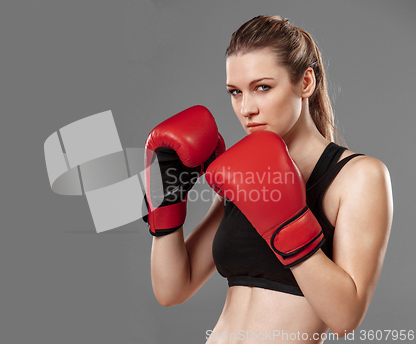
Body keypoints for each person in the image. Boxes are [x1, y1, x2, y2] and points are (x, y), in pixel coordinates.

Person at [143, 15, 393, 343]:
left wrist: (289, 228)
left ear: (306, 83)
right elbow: (172, 290)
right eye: (235, 92)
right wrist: (166, 204)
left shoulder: (357, 177)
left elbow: (345, 317)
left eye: (263, 87)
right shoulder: (240, 174)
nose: (246, 108)